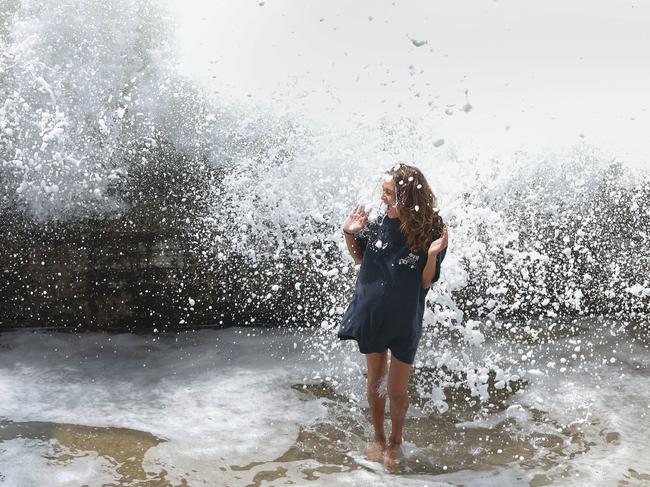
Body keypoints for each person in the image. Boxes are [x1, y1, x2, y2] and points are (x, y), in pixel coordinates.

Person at [338, 163, 448, 466]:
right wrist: (350, 233)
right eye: (384, 191)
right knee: (375, 383)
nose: (382, 197)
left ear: (406, 193)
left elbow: (427, 281)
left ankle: (396, 441)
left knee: (397, 392)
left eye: (388, 192)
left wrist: (432, 255)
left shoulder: (431, 229)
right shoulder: (374, 222)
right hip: (372, 312)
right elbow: (361, 259)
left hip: (404, 319)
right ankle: (379, 439)